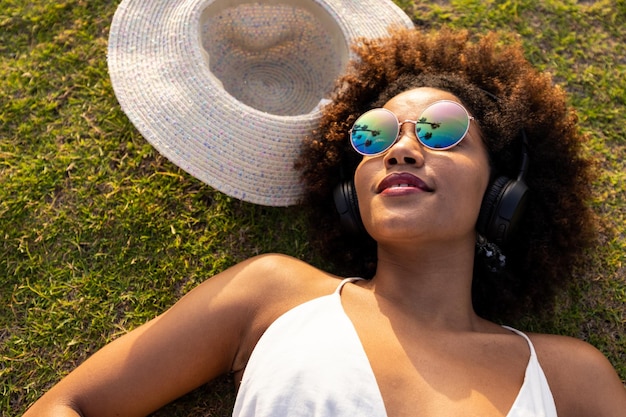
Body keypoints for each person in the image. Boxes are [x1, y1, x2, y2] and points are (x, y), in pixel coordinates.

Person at [24, 28, 626, 417]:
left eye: (441, 131)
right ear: (352, 190)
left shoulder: (571, 378)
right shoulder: (273, 295)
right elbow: (70, 404)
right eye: (374, 136)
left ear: (503, 188)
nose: (401, 150)